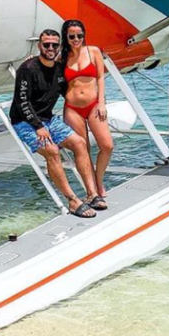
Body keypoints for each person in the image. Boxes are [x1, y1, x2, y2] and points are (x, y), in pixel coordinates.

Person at [10, 30, 99, 218]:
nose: (50, 48)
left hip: (49, 119)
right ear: (39, 46)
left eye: (54, 45)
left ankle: (92, 194)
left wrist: (92, 106)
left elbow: (74, 89)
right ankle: (73, 201)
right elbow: (21, 101)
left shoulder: (59, 69)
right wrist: (38, 126)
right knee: (52, 151)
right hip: (25, 121)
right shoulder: (28, 68)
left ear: (59, 47)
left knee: (80, 143)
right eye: (46, 44)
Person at [61, 19, 113, 211]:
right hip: (72, 107)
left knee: (107, 145)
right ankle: (93, 193)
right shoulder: (62, 57)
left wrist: (101, 103)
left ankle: (98, 181)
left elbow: (100, 77)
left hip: (93, 105)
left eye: (79, 35)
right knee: (83, 150)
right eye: (72, 36)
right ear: (66, 37)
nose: (76, 39)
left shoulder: (93, 51)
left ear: (84, 35)